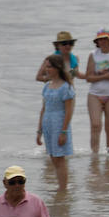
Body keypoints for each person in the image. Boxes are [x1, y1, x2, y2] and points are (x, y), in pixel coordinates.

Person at [36, 55, 75, 189]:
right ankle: (60, 186)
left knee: (60, 158)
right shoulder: (47, 86)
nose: (47, 70)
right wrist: (39, 130)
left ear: (57, 68)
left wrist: (64, 131)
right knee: (53, 157)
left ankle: (63, 188)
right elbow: (43, 108)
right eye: (46, 67)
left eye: (49, 67)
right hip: (48, 124)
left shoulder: (66, 87)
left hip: (59, 124)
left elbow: (69, 111)